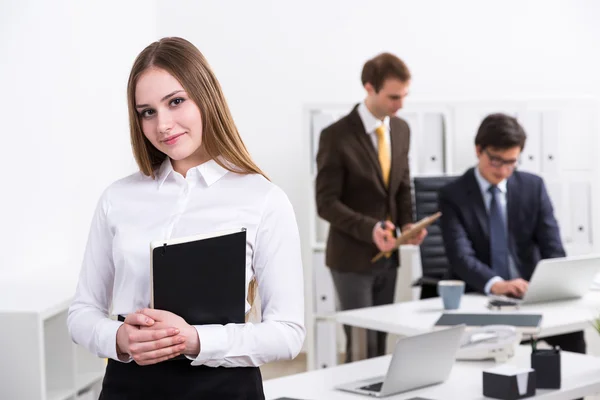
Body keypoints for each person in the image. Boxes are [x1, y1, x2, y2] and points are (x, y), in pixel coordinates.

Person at [67, 37, 305, 399]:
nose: (163, 125)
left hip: (224, 387)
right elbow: (82, 312)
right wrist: (118, 338)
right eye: (147, 112)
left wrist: (193, 339)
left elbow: (288, 333)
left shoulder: (264, 200)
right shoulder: (117, 198)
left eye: (176, 102)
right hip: (129, 386)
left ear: (205, 96)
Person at [438, 113, 585, 354]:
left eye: (511, 162)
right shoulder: (452, 194)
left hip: (528, 294)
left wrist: (553, 284)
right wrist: (497, 285)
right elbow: (460, 256)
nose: (504, 170)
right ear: (478, 150)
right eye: (496, 161)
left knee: (572, 338)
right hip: (481, 298)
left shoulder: (532, 187)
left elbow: (553, 248)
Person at [315, 53, 426, 363]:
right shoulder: (335, 136)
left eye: (404, 96)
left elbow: (403, 186)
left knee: (381, 340)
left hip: (388, 258)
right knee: (361, 344)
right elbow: (325, 203)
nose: (400, 104)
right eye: (393, 97)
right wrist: (371, 228)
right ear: (369, 88)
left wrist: (408, 225)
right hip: (351, 258)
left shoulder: (401, 129)